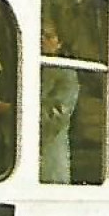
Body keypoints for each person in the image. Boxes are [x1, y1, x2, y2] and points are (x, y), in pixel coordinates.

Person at [39, 24, 79, 183]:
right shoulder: (30, 67)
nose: (42, 40)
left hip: (50, 160)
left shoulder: (66, 73)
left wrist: (7, 109)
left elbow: (56, 117)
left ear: (59, 43)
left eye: (48, 36)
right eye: (40, 35)